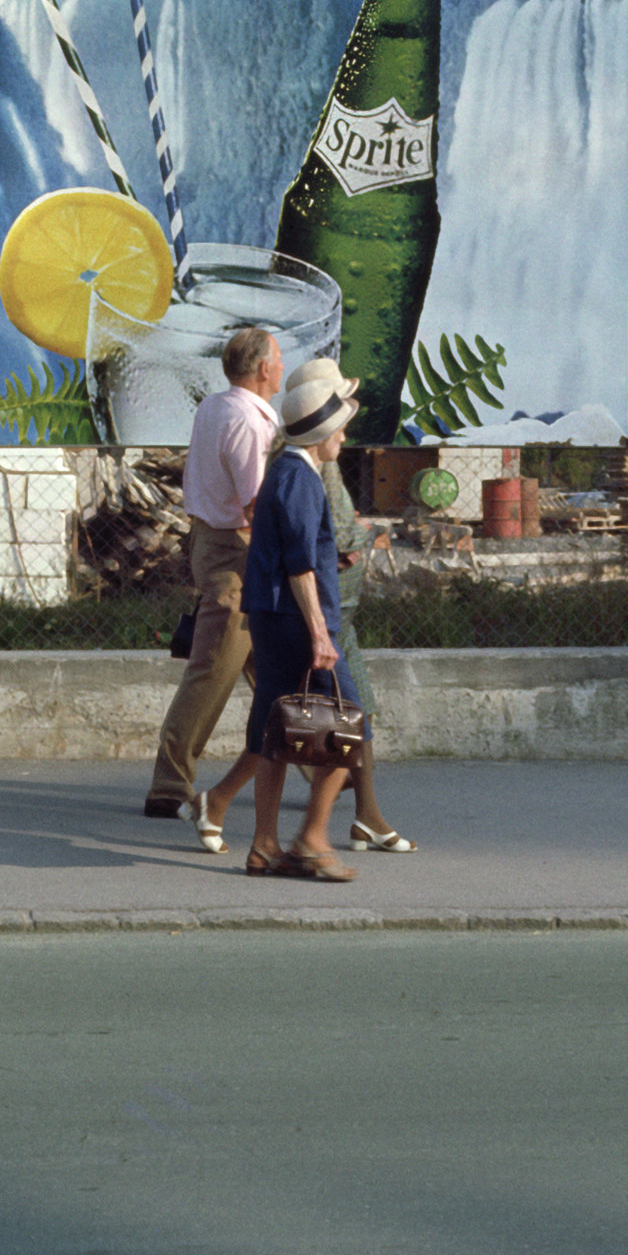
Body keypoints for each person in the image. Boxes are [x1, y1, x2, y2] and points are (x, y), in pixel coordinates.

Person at [143, 325, 284, 841]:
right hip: (237, 553)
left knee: (271, 670)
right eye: (279, 360)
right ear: (264, 368)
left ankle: (320, 765)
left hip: (215, 542)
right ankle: (169, 783)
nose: (283, 368)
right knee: (212, 670)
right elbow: (256, 504)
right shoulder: (248, 422)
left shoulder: (216, 407)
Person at [286, 358, 416, 855]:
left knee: (352, 712)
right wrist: (366, 532)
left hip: (338, 612)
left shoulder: (316, 459)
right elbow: (334, 534)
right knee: (343, 713)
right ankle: (227, 808)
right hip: (327, 612)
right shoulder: (314, 464)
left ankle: (365, 816)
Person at [239, 376, 366, 880]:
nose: (344, 438)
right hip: (294, 622)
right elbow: (299, 565)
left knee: (273, 732)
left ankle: (264, 846)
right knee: (350, 726)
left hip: (275, 618)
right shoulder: (300, 479)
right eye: (339, 429)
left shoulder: (288, 472)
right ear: (319, 436)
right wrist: (319, 632)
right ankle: (311, 838)